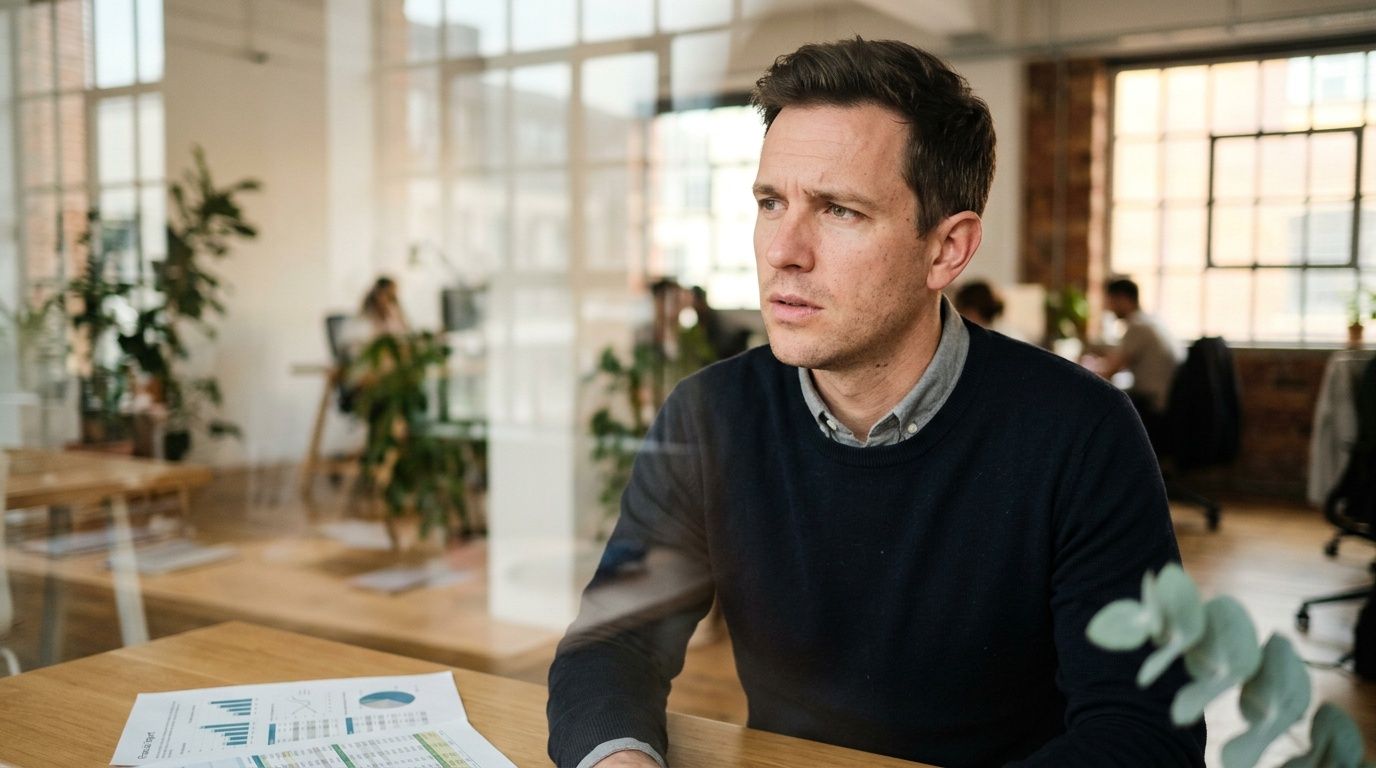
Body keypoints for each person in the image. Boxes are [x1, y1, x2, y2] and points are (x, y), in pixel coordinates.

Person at [548, 38, 1203, 768]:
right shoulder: (712, 414)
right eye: (771, 203)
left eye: (840, 211)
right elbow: (615, 640)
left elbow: (1145, 734)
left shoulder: (1081, 432)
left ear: (946, 250)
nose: (784, 251)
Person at [1092, 277, 1183, 444]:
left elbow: (1110, 371)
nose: (1108, 308)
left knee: (1098, 407)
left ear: (1122, 299)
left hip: (1152, 404)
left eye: (1110, 301)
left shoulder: (1138, 326)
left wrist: (1082, 369)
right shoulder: (1152, 321)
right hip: (1169, 401)